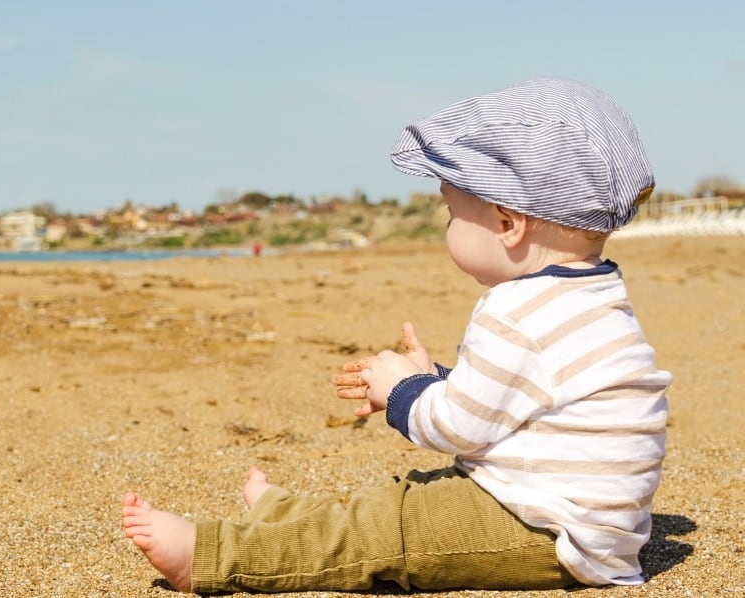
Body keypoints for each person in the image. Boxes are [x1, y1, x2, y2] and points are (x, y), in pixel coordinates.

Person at [121, 77, 671, 593]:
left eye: (453, 212)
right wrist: (436, 379)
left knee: (388, 527)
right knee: (405, 496)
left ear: (508, 223)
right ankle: (285, 516)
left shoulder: (515, 310)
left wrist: (402, 394)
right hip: (586, 525)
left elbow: (458, 429)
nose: (447, 226)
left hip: (547, 532)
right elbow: (520, 402)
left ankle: (213, 556)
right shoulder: (595, 294)